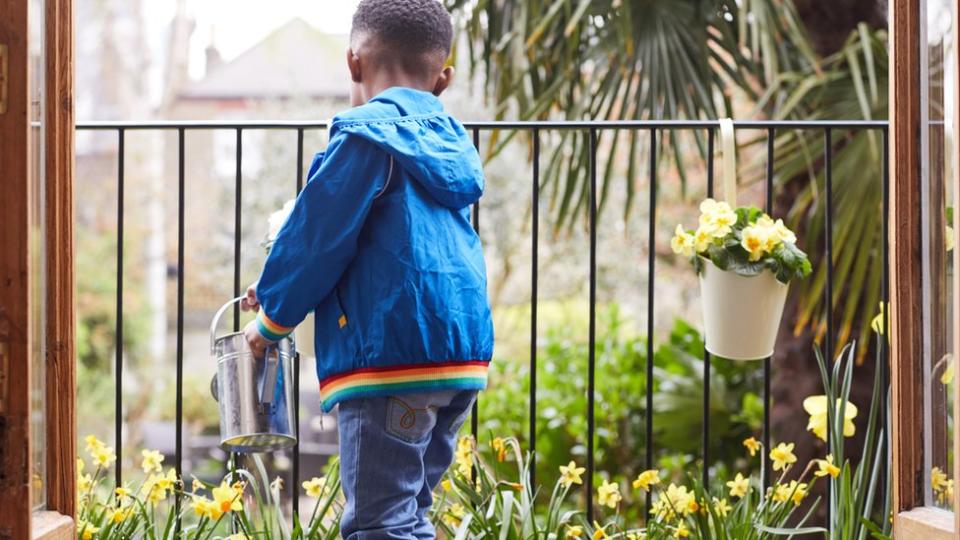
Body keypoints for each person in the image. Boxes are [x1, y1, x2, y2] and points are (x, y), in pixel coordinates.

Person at [240, 0, 493, 537]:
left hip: (391, 359)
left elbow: (317, 241)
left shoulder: (364, 138)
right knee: (407, 515)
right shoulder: (451, 145)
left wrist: (268, 328)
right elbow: (387, 244)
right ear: (442, 80)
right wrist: (272, 287)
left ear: (353, 63)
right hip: (460, 355)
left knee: (378, 524)